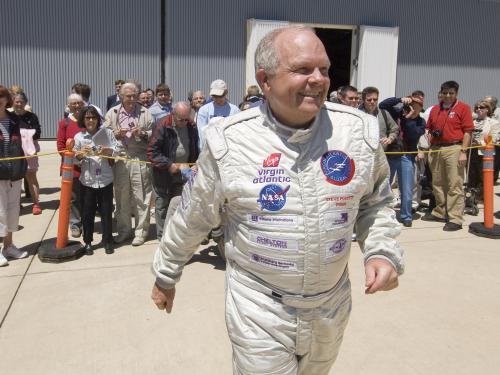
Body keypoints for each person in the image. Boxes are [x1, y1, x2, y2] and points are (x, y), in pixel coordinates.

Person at [151, 25, 403, 374]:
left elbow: (375, 201)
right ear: (264, 80)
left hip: (330, 308)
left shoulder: (357, 132)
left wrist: (381, 250)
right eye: (303, 69)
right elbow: (194, 215)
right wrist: (166, 273)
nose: (319, 79)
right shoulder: (230, 141)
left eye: (325, 70)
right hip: (259, 310)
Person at [104, 82, 153, 246]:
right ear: (121, 96)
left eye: (134, 96)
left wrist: (144, 133)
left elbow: (154, 134)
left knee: (142, 197)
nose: (131, 99)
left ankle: (140, 232)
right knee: (121, 197)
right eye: (128, 96)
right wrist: (114, 134)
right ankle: (124, 231)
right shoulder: (113, 112)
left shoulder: (145, 112)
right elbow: (104, 134)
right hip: (121, 158)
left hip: (139, 157)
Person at [422, 81, 474, 231]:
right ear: (441, 93)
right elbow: (428, 128)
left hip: (454, 148)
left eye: (451, 93)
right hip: (436, 149)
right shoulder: (435, 109)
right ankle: (440, 212)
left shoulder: (463, 108)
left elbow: (468, 132)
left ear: (456, 93)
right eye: (445, 93)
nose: (448, 96)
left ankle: (455, 218)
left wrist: (463, 152)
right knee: (437, 183)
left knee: (454, 184)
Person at [147, 101, 199, 240]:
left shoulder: (191, 126)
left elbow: (195, 147)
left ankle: (176, 235)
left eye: (186, 119)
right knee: (162, 206)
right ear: (173, 114)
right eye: (180, 119)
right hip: (163, 174)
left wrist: (195, 163)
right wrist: (169, 165)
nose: (183, 122)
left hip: (183, 174)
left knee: (181, 204)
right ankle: (162, 237)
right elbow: (152, 152)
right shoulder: (162, 125)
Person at [74, 106, 117, 255]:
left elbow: (117, 150)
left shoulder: (107, 133)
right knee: (87, 213)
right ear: (83, 120)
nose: (91, 120)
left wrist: (108, 151)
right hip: (88, 180)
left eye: (93, 117)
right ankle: (88, 242)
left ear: (98, 119)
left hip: (105, 178)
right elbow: (75, 159)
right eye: (87, 118)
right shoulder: (79, 137)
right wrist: (81, 154)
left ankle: (108, 241)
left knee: (106, 212)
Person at [379, 95, 426, 226]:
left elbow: (412, 133)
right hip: (391, 154)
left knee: (407, 187)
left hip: (407, 155)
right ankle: (383, 213)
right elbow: (382, 105)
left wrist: (408, 118)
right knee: (385, 185)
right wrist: (399, 99)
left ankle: (406, 215)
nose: (413, 107)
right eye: (412, 103)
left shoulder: (420, 122)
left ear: (421, 107)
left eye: (417, 105)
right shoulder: (396, 112)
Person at [0, 85, 28, 266]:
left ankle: (8, 246)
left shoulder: (13, 120)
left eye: (2, 97)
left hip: (15, 173)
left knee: (12, 211)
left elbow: (27, 140)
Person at [57, 93, 85, 238]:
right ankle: (75, 224)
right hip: (72, 168)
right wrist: (75, 159)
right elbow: (61, 146)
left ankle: (87, 222)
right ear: (69, 106)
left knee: (87, 197)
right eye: (73, 103)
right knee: (73, 197)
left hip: (88, 167)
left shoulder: (88, 121)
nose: (76, 106)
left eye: (79, 103)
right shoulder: (64, 123)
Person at [359, 86, 400, 182]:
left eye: (375, 99)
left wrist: (390, 138)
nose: (372, 102)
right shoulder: (357, 114)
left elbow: (395, 129)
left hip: (382, 156)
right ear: (363, 100)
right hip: (363, 158)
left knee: (381, 186)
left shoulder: (384, 113)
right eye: (369, 100)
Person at [11, 92, 42, 215]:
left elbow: (38, 132)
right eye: (17, 101)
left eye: (21, 101)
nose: (19, 104)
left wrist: (26, 134)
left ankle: (36, 204)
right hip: (14, 152)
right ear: (13, 102)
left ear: (25, 102)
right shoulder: (9, 116)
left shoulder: (32, 116)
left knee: (31, 178)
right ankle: (16, 204)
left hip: (30, 152)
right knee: (15, 181)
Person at [467, 100, 500, 197]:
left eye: (481, 107)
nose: (478, 109)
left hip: (486, 153)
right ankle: (471, 198)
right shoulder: (471, 122)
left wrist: (479, 142)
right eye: (476, 108)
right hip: (471, 151)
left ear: (487, 109)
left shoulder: (493, 122)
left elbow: (493, 139)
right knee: (471, 176)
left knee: (483, 177)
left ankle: (483, 198)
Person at [196, 79, 240, 149]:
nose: (217, 99)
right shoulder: (204, 110)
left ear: (226, 93)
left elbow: (237, 132)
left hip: (229, 149)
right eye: (214, 96)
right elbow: (202, 134)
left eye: (220, 96)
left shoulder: (235, 110)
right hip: (208, 149)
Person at [483, 96, 500, 183]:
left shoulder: (498, 112)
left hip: (496, 141)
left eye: (486, 102)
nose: (484, 103)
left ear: (493, 104)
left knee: (495, 161)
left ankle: (493, 179)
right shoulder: (483, 110)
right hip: (485, 140)